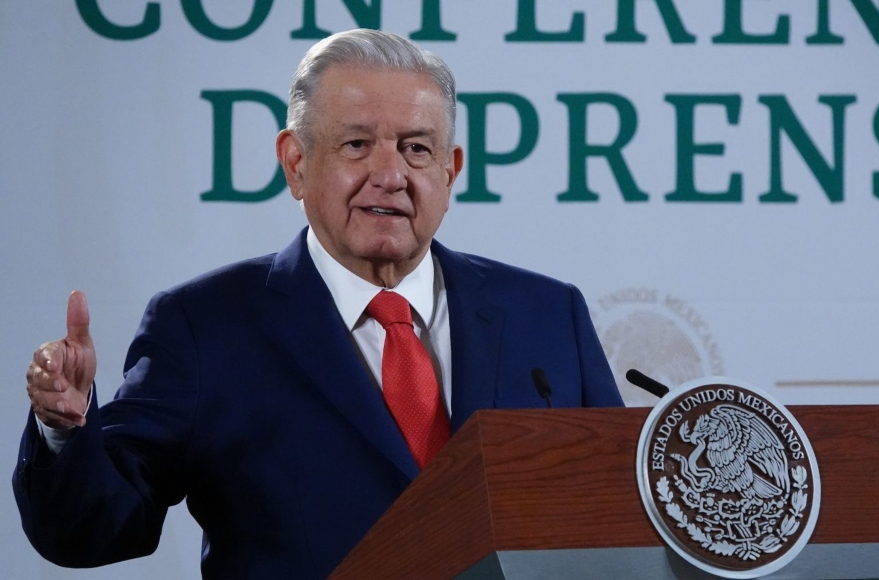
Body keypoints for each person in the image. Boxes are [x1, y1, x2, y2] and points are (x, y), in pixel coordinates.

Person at [15, 29, 623, 579]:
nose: (390, 174)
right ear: (296, 164)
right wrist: (66, 432)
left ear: (451, 169)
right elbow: (93, 528)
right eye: (356, 145)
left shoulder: (548, 315)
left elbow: (615, 519)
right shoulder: (205, 326)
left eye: (416, 149)